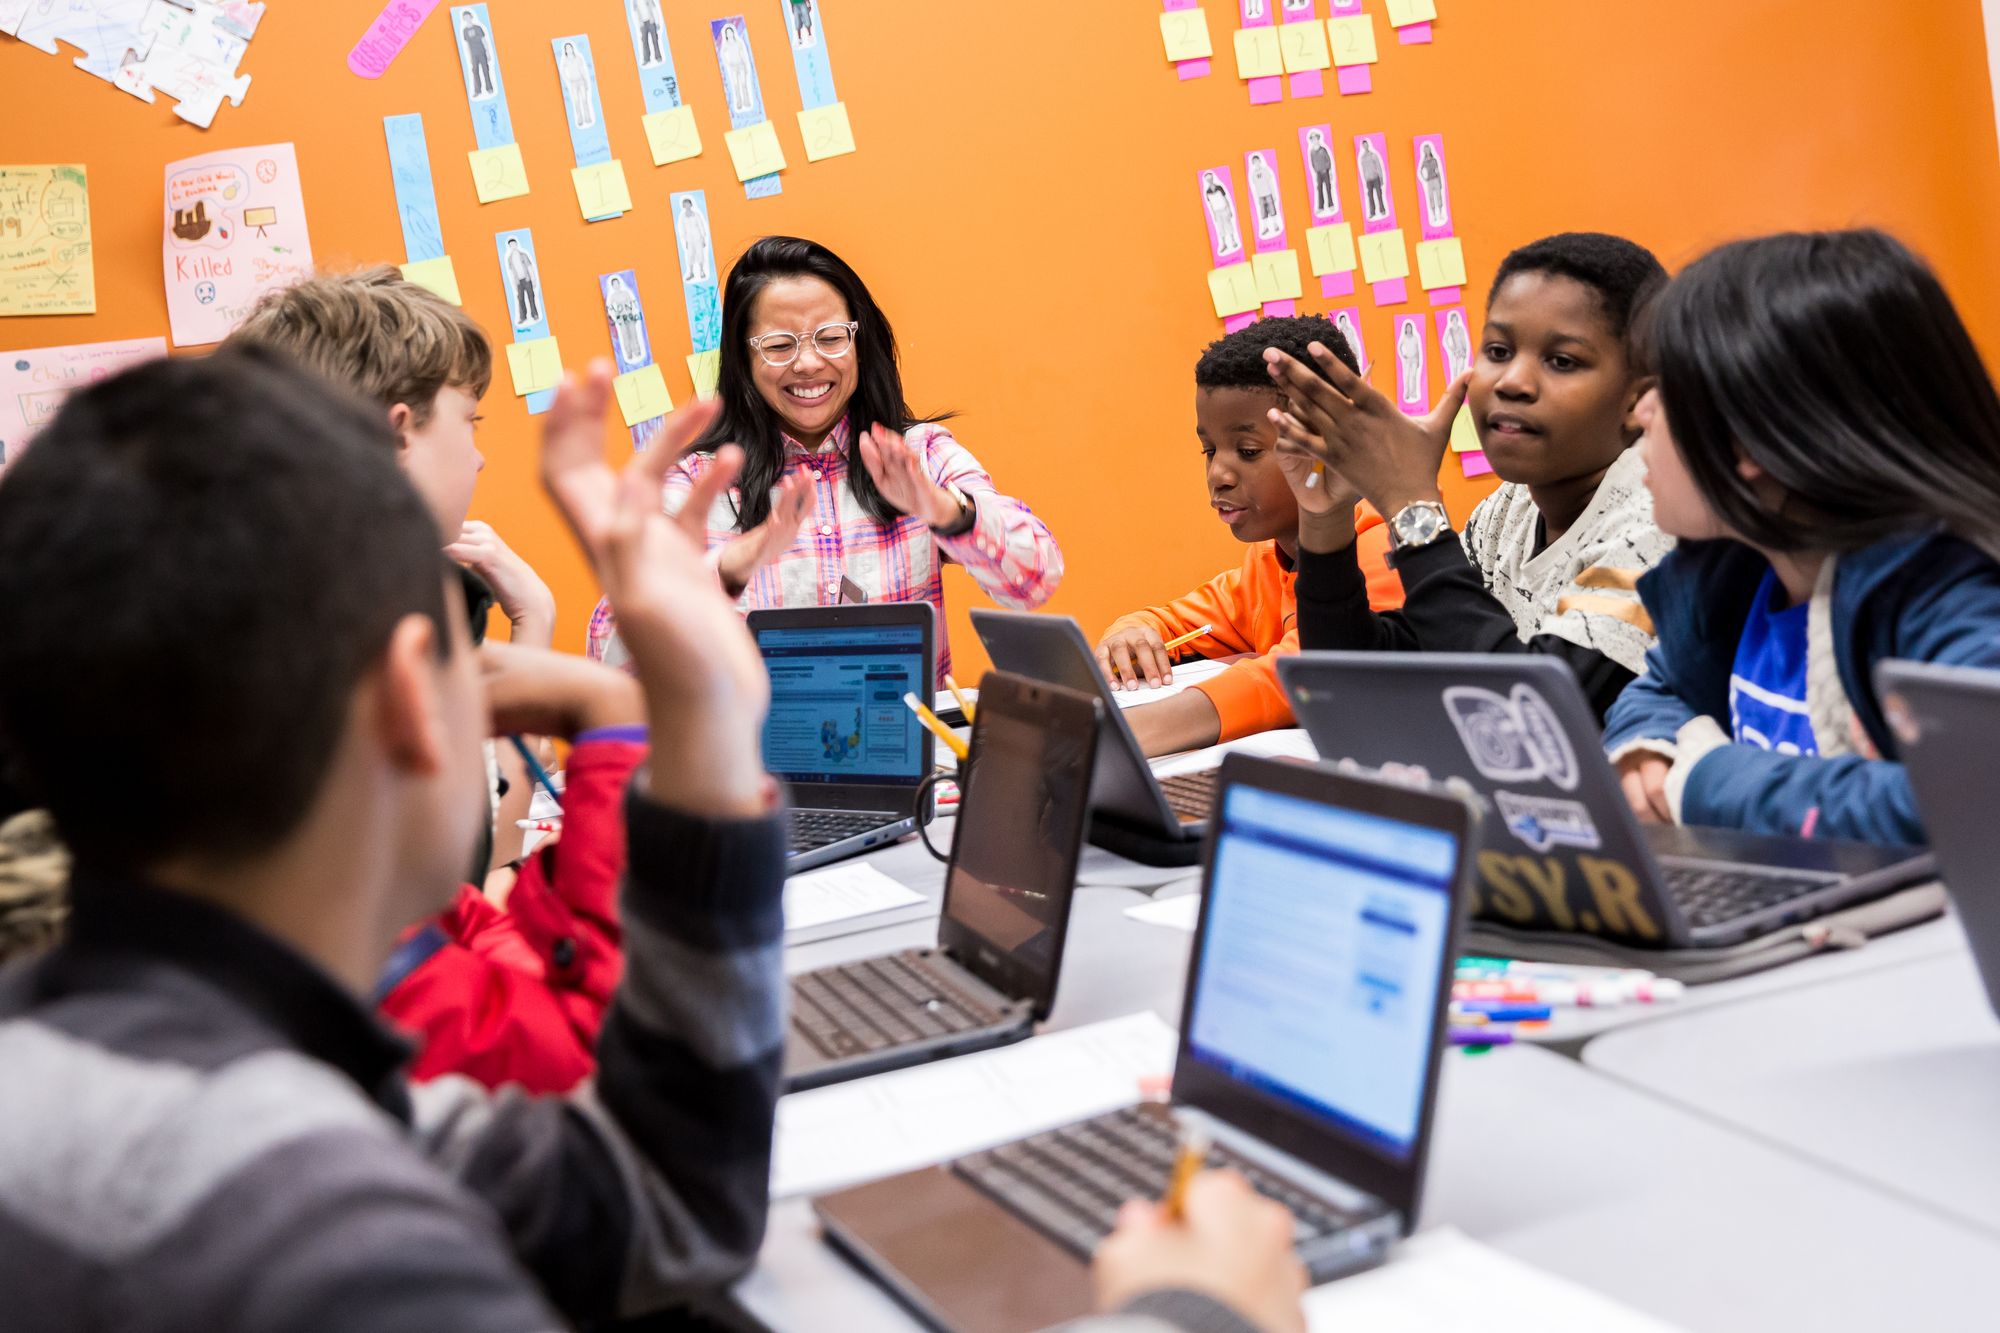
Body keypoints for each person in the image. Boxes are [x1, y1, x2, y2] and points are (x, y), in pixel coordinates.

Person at [0, 348, 788, 1327]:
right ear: (413, 696)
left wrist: (698, 727)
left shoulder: (73, 1038)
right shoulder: (338, 1248)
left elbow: (656, 1213)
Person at [1604, 229, 2000, 847]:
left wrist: (1712, 783)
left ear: (1748, 441)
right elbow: (1656, 690)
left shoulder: (1945, 593)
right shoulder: (1732, 575)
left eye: (1666, 390)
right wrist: (1648, 750)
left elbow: (1969, 800)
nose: (1640, 415)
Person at [588, 236, 1063, 683]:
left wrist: (944, 512)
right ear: (743, 361)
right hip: (754, 768)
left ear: (860, 342)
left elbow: (1037, 580)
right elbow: (610, 655)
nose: (809, 363)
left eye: (831, 337)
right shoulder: (697, 485)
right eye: (779, 345)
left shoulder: (920, 455)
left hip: (909, 763)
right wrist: (728, 569)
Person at [1267, 233, 1674, 722]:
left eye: (1562, 361)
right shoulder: (1508, 509)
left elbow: (1535, 716)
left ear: (1637, 400)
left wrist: (1412, 507)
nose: (1511, 381)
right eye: (1498, 351)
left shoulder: (1661, 522)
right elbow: (1355, 681)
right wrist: (1326, 519)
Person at [1097, 316, 1401, 758]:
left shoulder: (1385, 545)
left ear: (1328, 444)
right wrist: (1132, 631)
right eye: (1209, 450)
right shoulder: (1269, 560)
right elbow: (1179, 620)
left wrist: (1138, 730)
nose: (1217, 474)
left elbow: (1304, 670)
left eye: (1248, 452)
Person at [606, 273, 648, 364]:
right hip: (621, 319)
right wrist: (615, 317)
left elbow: (632, 304)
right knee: (625, 336)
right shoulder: (612, 297)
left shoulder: (626, 293)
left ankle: (637, 351)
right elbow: (610, 308)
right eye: (614, 284)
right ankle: (629, 354)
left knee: (633, 334)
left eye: (617, 283)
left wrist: (633, 314)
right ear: (612, 286)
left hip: (630, 316)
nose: (616, 285)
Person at [505, 236, 540, 328]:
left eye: (514, 244)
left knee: (531, 297)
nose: (513, 246)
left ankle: (534, 314)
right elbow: (512, 273)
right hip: (518, 281)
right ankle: (523, 317)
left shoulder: (523, 255)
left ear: (516, 244)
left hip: (527, 279)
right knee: (520, 299)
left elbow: (529, 267)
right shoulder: (509, 259)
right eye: (511, 245)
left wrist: (534, 279)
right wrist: (514, 284)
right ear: (509, 246)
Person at [559, 41, 596, 129]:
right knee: (576, 101)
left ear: (572, 48)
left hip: (581, 81)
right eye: (567, 49)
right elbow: (563, 71)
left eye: (570, 47)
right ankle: (580, 120)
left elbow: (583, 70)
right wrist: (567, 79)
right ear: (565, 51)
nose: (569, 49)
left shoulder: (578, 58)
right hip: (573, 83)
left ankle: (588, 118)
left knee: (584, 100)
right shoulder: (565, 60)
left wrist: (586, 82)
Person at [719, 21, 754, 113]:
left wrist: (746, 65)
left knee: (744, 84)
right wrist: (728, 63)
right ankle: (739, 103)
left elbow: (744, 55)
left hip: (741, 65)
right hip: (733, 67)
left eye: (730, 32)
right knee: (735, 85)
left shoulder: (739, 42)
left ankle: (747, 102)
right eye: (728, 33)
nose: (729, 34)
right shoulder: (725, 44)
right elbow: (722, 54)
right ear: (726, 34)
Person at [1204, 170, 1242, 256]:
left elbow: (1226, 199)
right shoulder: (1207, 192)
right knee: (1220, 228)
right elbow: (1211, 204)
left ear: (1212, 178)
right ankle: (1224, 244)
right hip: (1217, 212)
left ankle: (1233, 241)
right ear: (1206, 181)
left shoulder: (1219, 187)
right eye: (1207, 179)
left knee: (1228, 225)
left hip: (1224, 209)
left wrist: (1229, 209)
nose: (1209, 180)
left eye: (1210, 178)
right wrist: (1214, 215)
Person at [678, 195, 714, 282]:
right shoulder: (682, 217)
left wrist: (703, 238)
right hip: (689, 239)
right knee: (690, 255)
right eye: (685, 204)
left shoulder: (696, 215)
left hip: (698, 238)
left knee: (700, 254)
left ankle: (702, 271)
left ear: (691, 204)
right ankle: (691, 272)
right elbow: (682, 229)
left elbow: (701, 226)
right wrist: (685, 240)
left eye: (688, 204)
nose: (687, 206)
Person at [1248, 152, 1281, 239]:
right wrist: (1257, 198)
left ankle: (1275, 225)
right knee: (1263, 213)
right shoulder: (1253, 174)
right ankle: (1266, 227)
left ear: (1259, 161)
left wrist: (1273, 194)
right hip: (1261, 196)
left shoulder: (1265, 170)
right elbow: (1255, 187)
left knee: (1272, 210)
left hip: (1268, 193)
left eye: (1257, 161)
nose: (1256, 163)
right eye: (1254, 162)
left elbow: (1270, 183)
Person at [461, 14, 493, 97]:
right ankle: (477, 91)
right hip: (473, 54)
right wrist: (469, 57)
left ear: (471, 17)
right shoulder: (464, 31)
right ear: (464, 19)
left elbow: (483, 40)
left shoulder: (478, 28)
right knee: (475, 72)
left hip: (482, 52)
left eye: (468, 17)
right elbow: (467, 44)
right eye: (465, 18)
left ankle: (489, 88)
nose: (467, 19)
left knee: (485, 70)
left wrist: (488, 52)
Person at [1307, 130, 1336, 215]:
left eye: (1315, 139)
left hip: (1325, 172)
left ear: (1318, 139)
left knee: (1328, 188)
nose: (1314, 141)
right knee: (1319, 189)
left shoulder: (1323, 150)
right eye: (1312, 139)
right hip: (1318, 173)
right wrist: (1316, 171)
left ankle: (1331, 205)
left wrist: (1329, 171)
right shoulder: (1312, 152)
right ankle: (1320, 207)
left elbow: (1328, 160)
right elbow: (1312, 162)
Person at [1418, 141, 1447, 227]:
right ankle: (1434, 215)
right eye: (1425, 150)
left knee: (1438, 196)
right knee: (1431, 198)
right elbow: (1420, 170)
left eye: (1428, 149)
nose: (1427, 151)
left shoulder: (1434, 160)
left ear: (1430, 150)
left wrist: (1440, 182)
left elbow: (1438, 172)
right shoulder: (1424, 161)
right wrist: (1424, 178)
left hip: (1436, 180)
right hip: (1429, 181)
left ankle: (1441, 213)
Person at [1358, 138, 1387, 219]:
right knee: (1370, 196)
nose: (1365, 146)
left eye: (1366, 145)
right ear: (1362, 147)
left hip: (1376, 178)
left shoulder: (1373, 155)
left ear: (1368, 145)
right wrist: (1365, 178)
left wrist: (1381, 178)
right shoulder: (1362, 158)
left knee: (1379, 195)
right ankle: (1372, 212)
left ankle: (1382, 210)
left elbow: (1379, 166)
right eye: (1364, 145)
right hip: (1368, 180)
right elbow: (1363, 169)